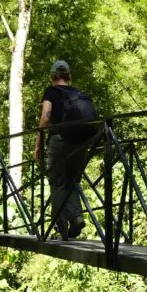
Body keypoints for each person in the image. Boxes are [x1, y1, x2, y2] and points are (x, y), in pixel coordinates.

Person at [34, 60, 98, 240]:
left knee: (57, 182)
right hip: (80, 142)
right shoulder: (79, 93)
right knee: (72, 181)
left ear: (53, 75)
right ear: (68, 75)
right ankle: (76, 217)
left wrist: (38, 143)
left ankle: (59, 228)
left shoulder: (51, 91)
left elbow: (46, 118)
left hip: (60, 140)